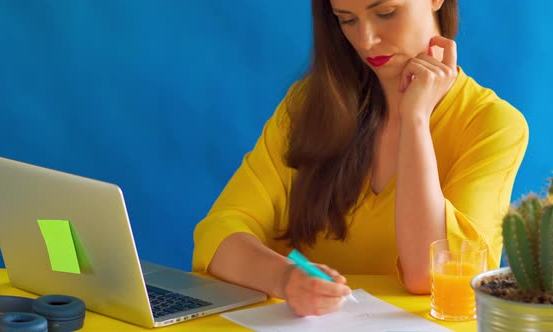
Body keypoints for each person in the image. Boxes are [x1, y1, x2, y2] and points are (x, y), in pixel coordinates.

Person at [192, 0, 528, 317]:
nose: (366, 40)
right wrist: (285, 278)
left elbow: (430, 277)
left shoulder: (491, 124)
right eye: (347, 19)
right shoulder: (307, 107)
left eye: (385, 12)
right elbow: (219, 233)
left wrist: (415, 120)